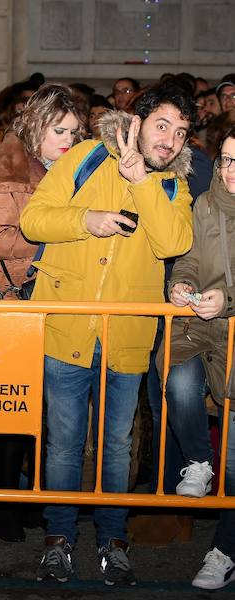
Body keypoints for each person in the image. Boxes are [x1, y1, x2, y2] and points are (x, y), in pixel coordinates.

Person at [19, 81, 196, 586]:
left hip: (127, 337)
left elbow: (173, 243)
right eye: (162, 125)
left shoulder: (172, 187)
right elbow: (33, 220)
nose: (170, 140)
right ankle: (58, 541)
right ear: (136, 123)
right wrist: (86, 220)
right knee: (64, 444)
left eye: (181, 133)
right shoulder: (85, 157)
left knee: (117, 445)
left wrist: (142, 181)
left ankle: (113, 542)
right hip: (67, 327)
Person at [0, 83, 84, 542]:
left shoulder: (81, 167)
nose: (68, 139)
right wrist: (58, 232)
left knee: (51, 412)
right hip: (20, 299)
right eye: (59, 130)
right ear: (38, 125)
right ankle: (8, 505)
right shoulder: (8, 162)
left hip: (65, 297)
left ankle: (39, 500)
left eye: (74, 131)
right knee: (15, 409)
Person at [162, 127, 235, 590]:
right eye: (226, 159)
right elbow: (188, 257)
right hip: (202, 328)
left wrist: (227, 299)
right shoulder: (205, 203)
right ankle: (198, 460)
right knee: (179, 381)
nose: (230, 170)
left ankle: (225, 551)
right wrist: (181, 284)